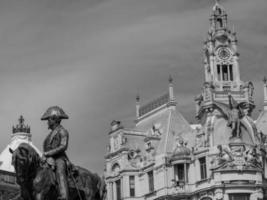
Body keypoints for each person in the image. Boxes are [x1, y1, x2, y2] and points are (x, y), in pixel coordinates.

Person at [41, 106, 70, 200]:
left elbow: (63, 146)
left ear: (54, 119)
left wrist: (49, 153)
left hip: (59, 158)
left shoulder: (62, 131)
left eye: (49, 119)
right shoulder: (49, 135)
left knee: (60, 169)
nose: (47, 122)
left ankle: (64, 195)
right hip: (48, 159)